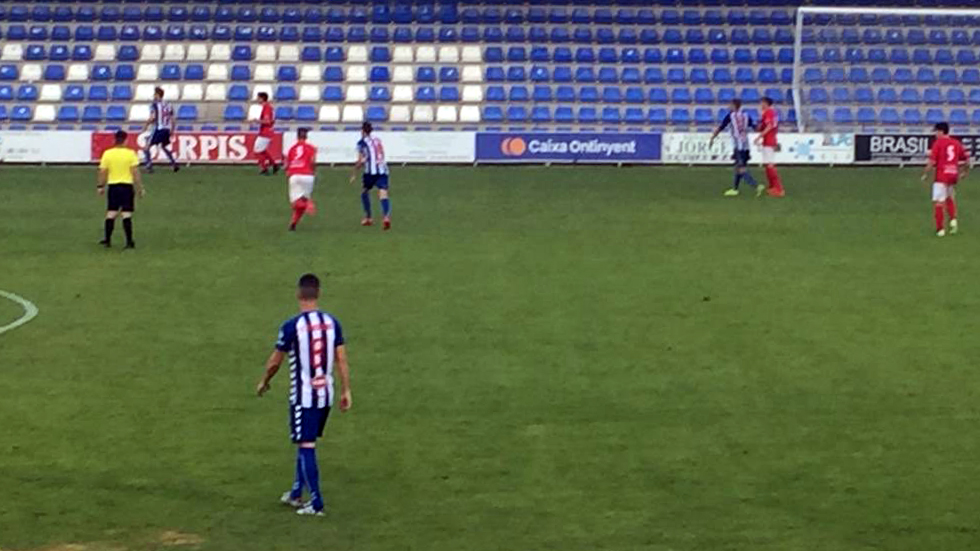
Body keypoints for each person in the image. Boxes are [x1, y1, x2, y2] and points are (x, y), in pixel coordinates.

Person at [256, 273, 352, 517]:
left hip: (304, 396)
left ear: (299, 294)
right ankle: (297, 492)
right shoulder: (332, 323)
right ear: (318, 293)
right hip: (326, 395)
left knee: (306, 445)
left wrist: (264, 381)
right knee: (305, 441)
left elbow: (275, 362)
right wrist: (346, 390)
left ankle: (316, 503)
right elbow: (341, 358)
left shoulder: (291, 326)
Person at [97, 130, 144, 249]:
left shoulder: (107, 154)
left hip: (113, 187)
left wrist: (101, 186)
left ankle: (107, 240)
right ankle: (129, 242)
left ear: (115, 140)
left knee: (111, 213)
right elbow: (135, 172)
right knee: (126, 214)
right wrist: (140, 187)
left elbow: (103, 172)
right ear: (125, 140)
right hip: (127, 186)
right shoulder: (130, 154)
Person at [922, 122, 969, 237]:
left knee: (939, 203)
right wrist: (964, 172)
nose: (935, 134)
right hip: (953, 174)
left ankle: (940, 229)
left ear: (941, 132)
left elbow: (932, 162)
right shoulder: (956, 143)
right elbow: (967, 160)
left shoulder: (938, 143)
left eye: (936, 131)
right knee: (949, 197)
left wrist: (925, 173)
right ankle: (953, 219)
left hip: (941, 175)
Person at [710, 99, 764, 198]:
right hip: (746, 146)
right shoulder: (746, 115)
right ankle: (735, 189)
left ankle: (756, 186)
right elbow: (755, 128)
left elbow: (721, 127)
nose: (728, 106)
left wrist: (713, 137)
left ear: (734, 106)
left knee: (740, 169)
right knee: (738, 167)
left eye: (730, 105)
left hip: (738, 146)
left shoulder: (730, 116)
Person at [350, 122, 391, 230]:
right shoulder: (377, 139)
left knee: (364, 192)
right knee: (383, 194)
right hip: (382, 170)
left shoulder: (361, 143)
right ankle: (386, 217)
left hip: (370, 172)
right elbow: (382, 153)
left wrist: (354, 173)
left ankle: (368, 218)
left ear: (362, 131)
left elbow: (360, 160)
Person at [284, 128, 318, 231]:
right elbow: (313, 162)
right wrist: (313, 172)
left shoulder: (291, 149)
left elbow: (287, 164)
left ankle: (307, 203)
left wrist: (288, 171)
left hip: (295, 176)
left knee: (296, 204)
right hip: (308, 176)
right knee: (303, 200)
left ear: (297, 136)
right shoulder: (312, 148)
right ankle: (293, 224)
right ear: (306, 137)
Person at [142, 87, 179, 173]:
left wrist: (145, 126)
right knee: (163, 146)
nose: (154, 96)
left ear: (158, 95)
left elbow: (153, 117)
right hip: (167, 129)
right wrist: (172, 130)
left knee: (146, 148)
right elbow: (173, 119)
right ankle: (174, 163)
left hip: (158, 128)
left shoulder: (154, 105)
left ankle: (149, 166)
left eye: (155, 94)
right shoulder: (168, 104)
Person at [755, 97, 785, 197]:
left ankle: (779, 189)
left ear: (766, 104)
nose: (761, 105)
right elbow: (763, 126)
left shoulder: (769, 112)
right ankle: (772, 187)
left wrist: (759, 136)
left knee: (770, 165)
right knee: (768, 165)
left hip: (769, 141)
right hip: (768, 141)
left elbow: (769, 126)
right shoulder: (768, 113)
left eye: (762, 103)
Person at [254, 92, 280, 175]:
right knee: (262, 150)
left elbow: (267, 121)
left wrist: (257, 121)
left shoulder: (267, 108)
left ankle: (264, 168)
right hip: (266, 131)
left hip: (266, 132)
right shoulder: (268, 107)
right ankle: (274, 165)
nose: (257, 99)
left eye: (258, 98)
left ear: (262, 98)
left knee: (257, 150)